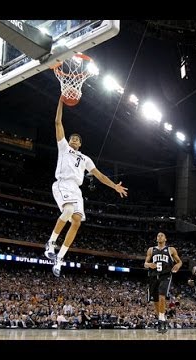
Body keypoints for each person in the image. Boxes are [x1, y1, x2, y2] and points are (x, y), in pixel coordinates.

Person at [45, 98, 128, 277]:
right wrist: (60, 101)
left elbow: (99, 175)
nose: (74, 139)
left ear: (80, 144)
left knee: (76, 222)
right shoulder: (64, 147)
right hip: (62, 183)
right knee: (67, 212)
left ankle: (59, 258)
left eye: (77, 139)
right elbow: (58, 122)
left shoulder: (85, 158)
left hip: (76, 189)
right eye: (72, 137)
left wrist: (114, 186)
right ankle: (51, 243)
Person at [144, 232, 182, 333]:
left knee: (162, 296)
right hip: (153, 276)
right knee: (155, 301)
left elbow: (179, 261)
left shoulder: (170, 249)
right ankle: (163, 319)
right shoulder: (151, 250)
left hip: (165, 276)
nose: (159, 236)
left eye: (162, 235)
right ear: (156, 239)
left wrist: (178, 265)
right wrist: (149, 265)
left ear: (165, 238)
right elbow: (145, 263)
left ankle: (160, 321)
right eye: (158, 236)